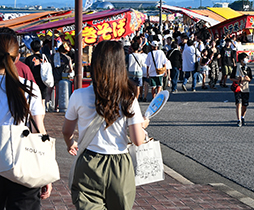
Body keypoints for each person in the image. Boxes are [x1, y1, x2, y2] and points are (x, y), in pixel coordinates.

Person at [62, 40, 149, 210]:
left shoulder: (78, 95)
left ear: (95, 64)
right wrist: (143, 124)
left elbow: (66, 130)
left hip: (89, 162)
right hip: (120, 165)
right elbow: (138, 140)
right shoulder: (129, 97)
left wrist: (70, 144)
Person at [0, 33, 52, 209]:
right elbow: (39, 131)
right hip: (22, 161)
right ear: (18, 57)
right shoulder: (29, 88)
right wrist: (45, 170)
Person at [25, 39, 50, 110]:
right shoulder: (45, 58)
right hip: (43, 80)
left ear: (31, 48)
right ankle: (41, 118)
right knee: (42, 101)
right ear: (40, 48)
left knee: (32, 100)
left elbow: (27, 71)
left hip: (32, 81)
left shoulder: (28, 59)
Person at [229, 53, 253, 127]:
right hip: (238, 87)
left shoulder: (248, 68)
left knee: (244, 105)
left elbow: (250, 79)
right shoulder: (236, 68)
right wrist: (237, 80)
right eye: (245, 58)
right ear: (241, 60)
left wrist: (248, 79)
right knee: (238, 104)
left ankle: (242, 117)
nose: (246, 60)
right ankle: (238, 119)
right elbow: (231, 78)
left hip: (246, 88)